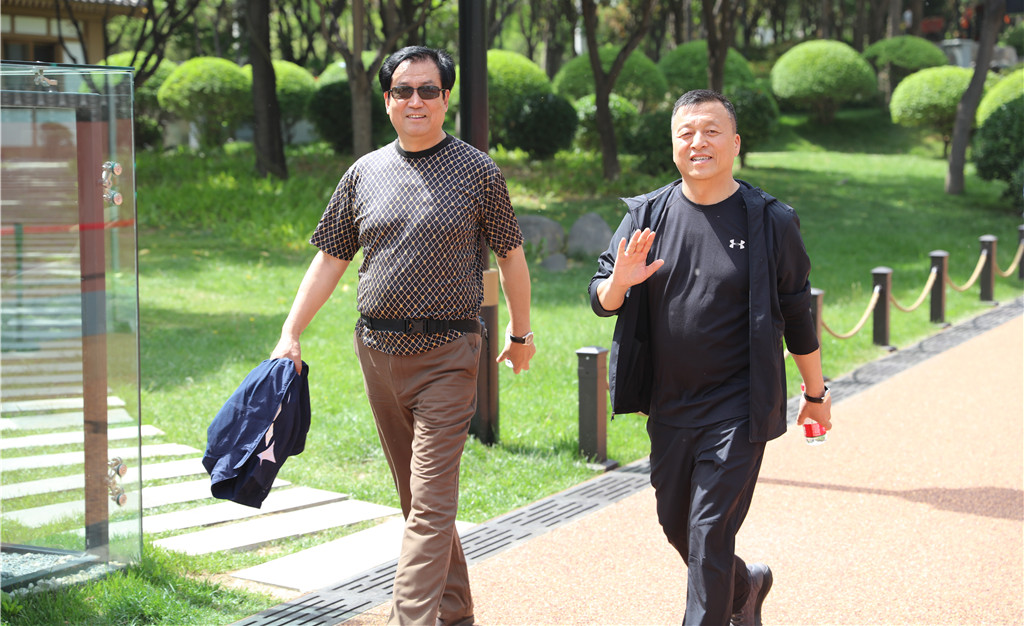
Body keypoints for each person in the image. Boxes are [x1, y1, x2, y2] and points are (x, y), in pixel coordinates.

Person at [272, 45, 535, 626]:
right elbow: (330, 258)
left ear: (446, 98)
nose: (416, 101)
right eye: (403, 91)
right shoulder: (363, 173)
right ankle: (455, 610)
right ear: (387, 100)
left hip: (450, 353)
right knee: (419, 501)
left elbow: (511, 256)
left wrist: (521, 332)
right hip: (377, 354)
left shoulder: (478, 171)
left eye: (428, 90)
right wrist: (291, 331)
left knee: (431, 502)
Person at [588, 89, 831, 626]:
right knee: (679, 526)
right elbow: (601, 296)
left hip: (739, 407)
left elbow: (797, 313)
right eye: (686, 133)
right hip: (669, 404)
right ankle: (746, 587)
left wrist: (816, 394)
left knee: (708, 530)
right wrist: (619, 283)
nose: (698, 142)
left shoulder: (770, 220)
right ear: (673, 145)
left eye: (712, 131)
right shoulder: (647, 215)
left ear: (735, 143)